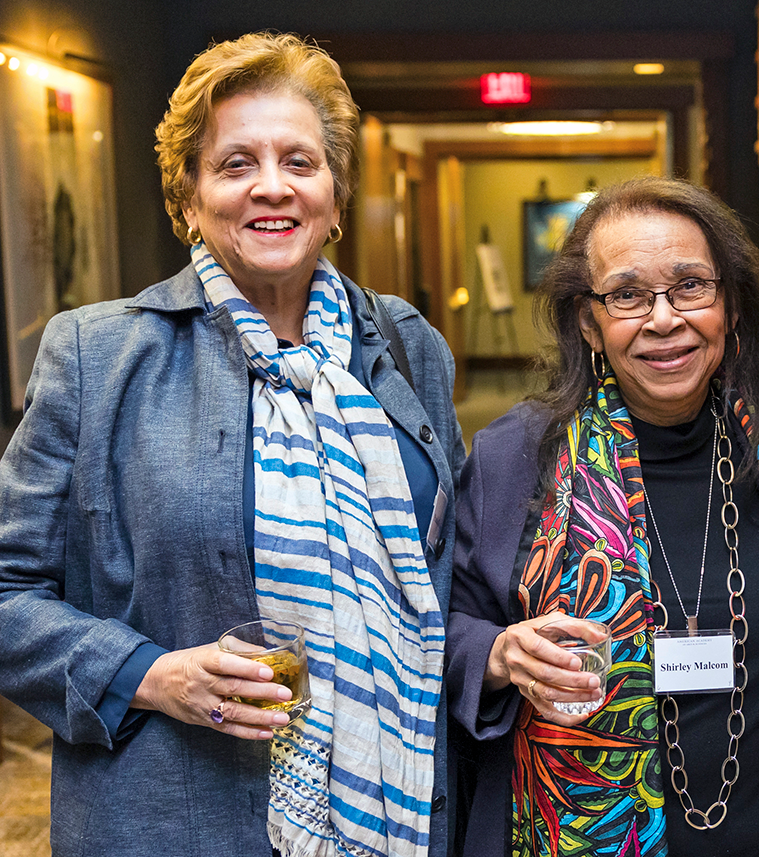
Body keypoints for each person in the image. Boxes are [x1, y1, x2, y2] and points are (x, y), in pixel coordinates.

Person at [0, 32, 464, 857]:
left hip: (403, 807)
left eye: (299, 160)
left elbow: (451, 572)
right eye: (236, 163)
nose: (272, 188)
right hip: (173, 818)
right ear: (188, 194)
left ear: (336, 190)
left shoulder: (405, 345)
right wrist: (149, 674)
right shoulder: (97, 355)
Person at [446, 176, 759, 857]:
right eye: (628, 295)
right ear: (589, 322)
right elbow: (439, 629)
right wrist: (500, 653)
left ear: (731, 304)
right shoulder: (517, 456)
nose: (664, 318)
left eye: (691, 285)